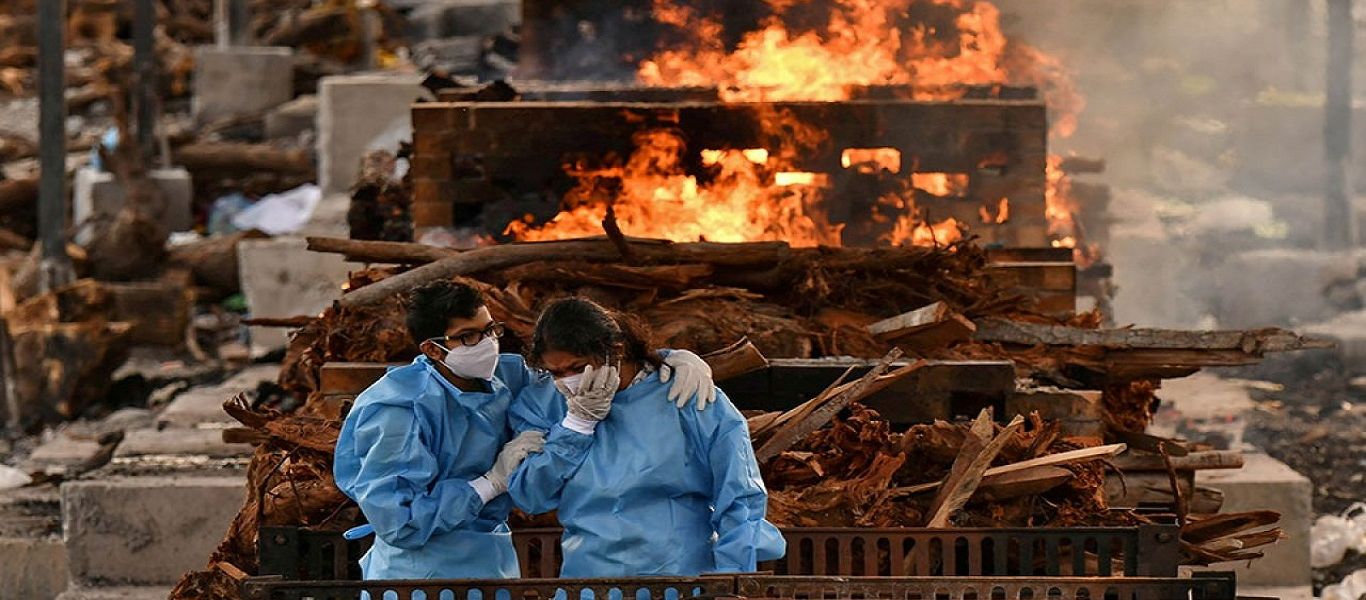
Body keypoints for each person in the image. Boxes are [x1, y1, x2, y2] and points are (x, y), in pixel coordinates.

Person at [334, 281, 718, 583]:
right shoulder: (396, 410)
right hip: (418, 574)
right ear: (433, 350)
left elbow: (578, 365)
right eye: (468, 337)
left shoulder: (506, 375)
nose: (486, 345)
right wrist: (489, 483)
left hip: (493, 561)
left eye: (490, 330)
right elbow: (400, 522)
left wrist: (667, 359)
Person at [507, 297, 786, 579]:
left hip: (682, 580)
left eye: (578, 367)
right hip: (588, 582)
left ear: (616, 350)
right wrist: (575, 427)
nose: (568, 380)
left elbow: (740, 497)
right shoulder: (546, 402)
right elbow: (530, 496)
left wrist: (732, 578)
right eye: (556, 372)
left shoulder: (686, 395)